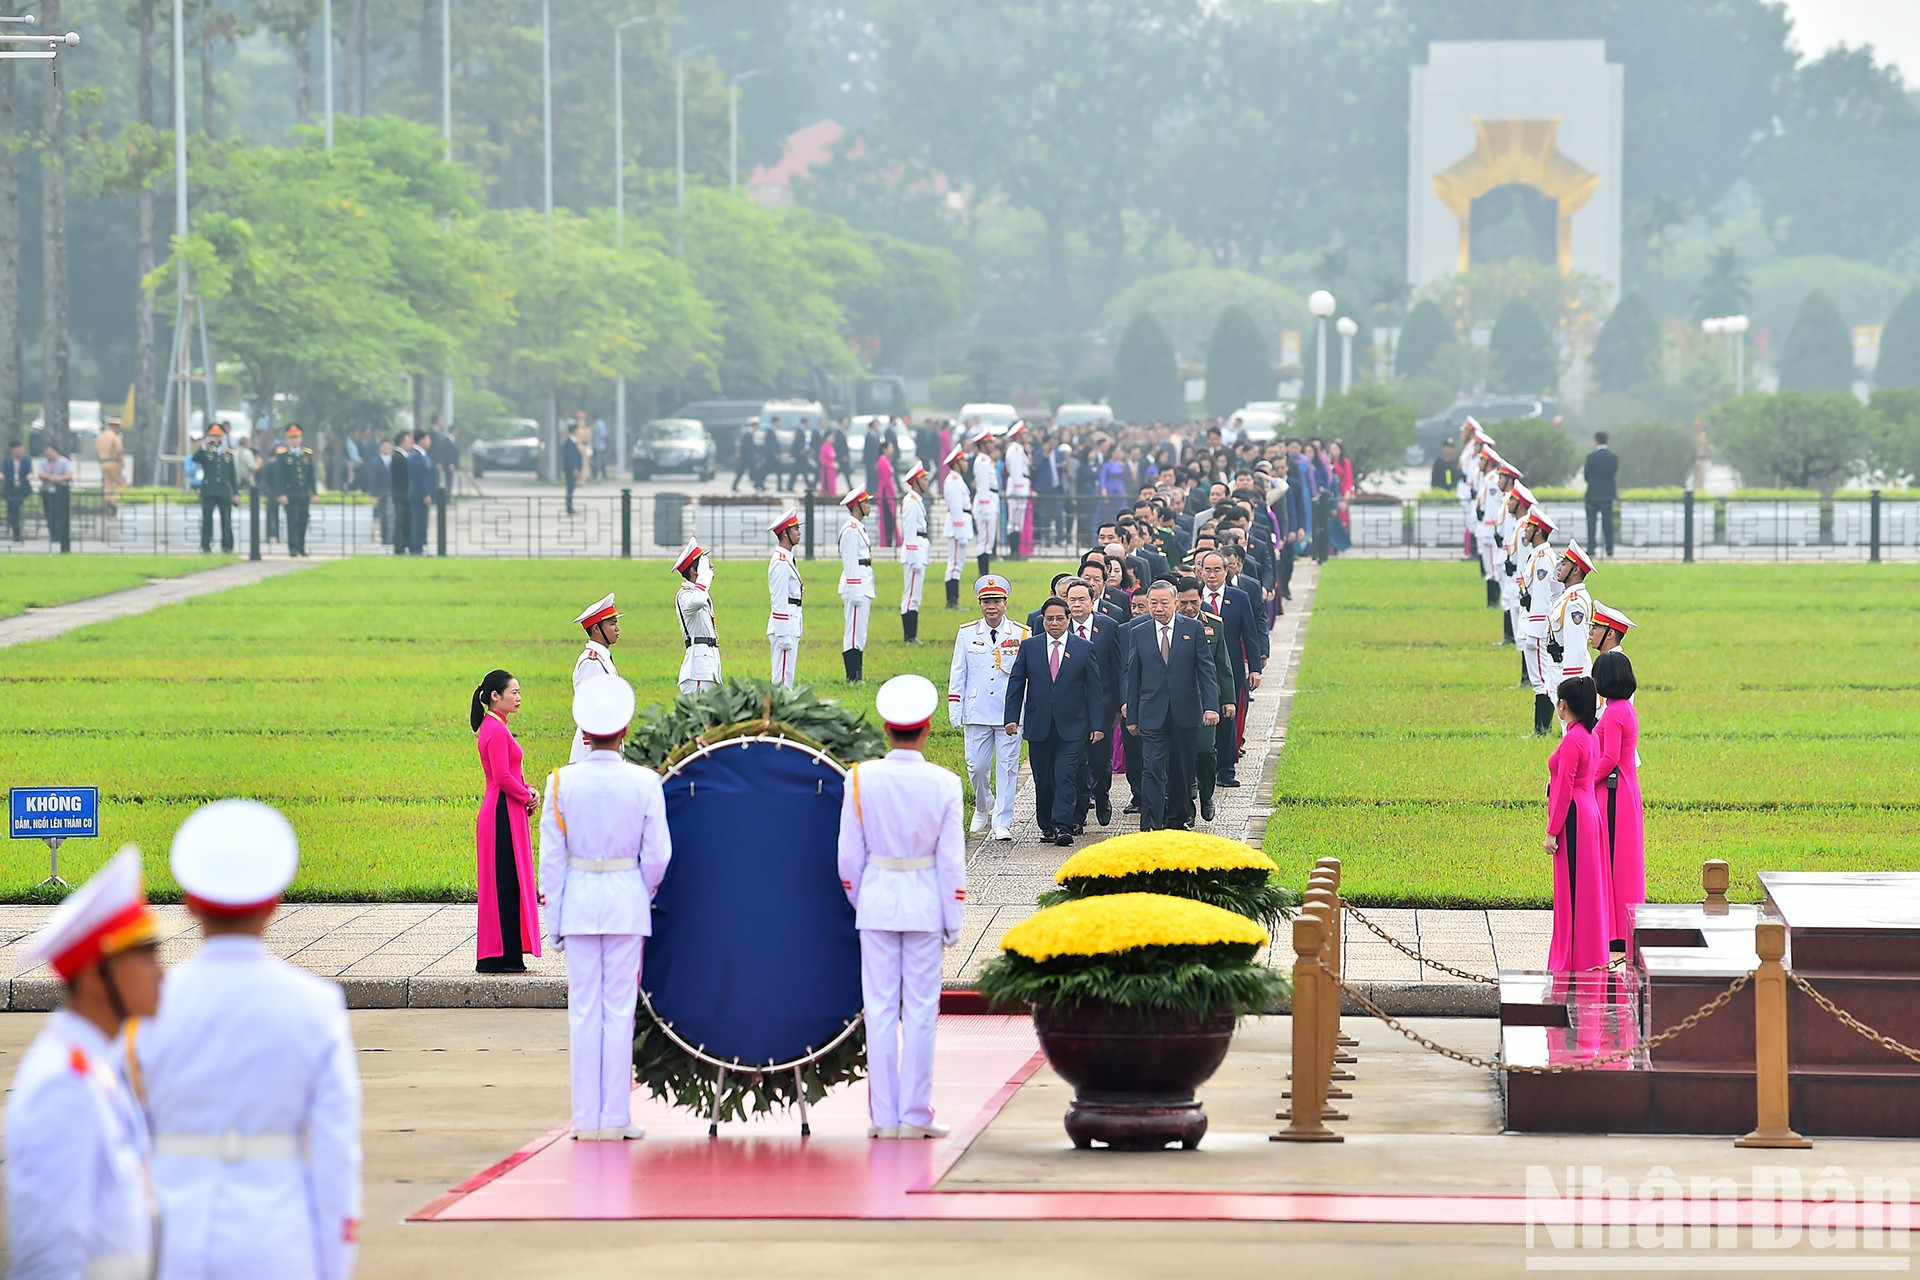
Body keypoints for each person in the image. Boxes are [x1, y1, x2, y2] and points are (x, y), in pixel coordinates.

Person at [137, 800, 362, 1280]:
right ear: (275, 901)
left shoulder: (151, 1006)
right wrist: (333, 1265)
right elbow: (335, 1156)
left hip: (171, 1242)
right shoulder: (316, 1006)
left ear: (189, 903)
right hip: (278, 1241)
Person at [5, 848, 164, 1280]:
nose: (161, 972)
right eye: (145, 956)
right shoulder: (65, 1084)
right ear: (97, 975)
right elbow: (48, 1256)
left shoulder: (98, 1066)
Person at [539, 676, 672, 1141]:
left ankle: (586, 1119)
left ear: (584, 731)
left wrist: (552, 922)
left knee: (583, 1011)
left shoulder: (559, 783)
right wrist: (641, 893)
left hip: (578, 903)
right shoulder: (644, 782)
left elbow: (552, 864)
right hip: (625, 903)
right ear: (624, 729)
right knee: (619, 1011)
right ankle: (614, 1117)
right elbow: (658, 856)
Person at [837, 674, 966, 1140]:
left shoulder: (859, 779)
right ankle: (915, 1113)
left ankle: (884, 1117)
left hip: (876, 901)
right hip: (926, 904)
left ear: (886, 729)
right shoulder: (945, 784)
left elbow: (848, 861)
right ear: (928, 728)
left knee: (878, 1009)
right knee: (920, 1011)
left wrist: (863, 899)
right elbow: (951, 862)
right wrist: (953, 920)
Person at [1121, 579, 1220, 832]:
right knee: (1152, 766)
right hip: (1152, 711)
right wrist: (1132, 715)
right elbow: (1132, 675)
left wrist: (1211, 706)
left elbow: (1206, 670)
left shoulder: (1194, 629)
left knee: (1182, 768)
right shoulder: (1138, 632)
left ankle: (1178, 819)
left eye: (1164, 602)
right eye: (1153, 603)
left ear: (1175, 603)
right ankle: (1151, 822)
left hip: (1185, 710)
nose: (1158, 608)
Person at [1004, 596, 1102, 845]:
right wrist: (1011, 718)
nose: (1055, 623)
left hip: (1073, 726)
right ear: (1043, 620)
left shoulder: (1084, 648)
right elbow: (1017, 683)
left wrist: (1097, 725)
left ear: (1068, 619)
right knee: (1044, 778)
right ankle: (1046, 824)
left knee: (1065, 775)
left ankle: (1063, 826)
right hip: (1039, 725)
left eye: (1060, 618)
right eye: (1050, 619)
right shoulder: (1030, 647)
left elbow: (1094, 689)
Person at [948, 574, 1027, 841]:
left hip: (1009, 712)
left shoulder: (1020, 633)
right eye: (986, 601)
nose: (991, 606)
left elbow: (1027, 676)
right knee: (977, 767)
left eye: (996, 600)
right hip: (977, 710)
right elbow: (958, 673)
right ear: (980, 604)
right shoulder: (967, 633)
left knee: (1007, 767)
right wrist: (955, 708)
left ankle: (1002, 821)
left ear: (1005, 603)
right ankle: (984, 805)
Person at [472, 669, 541, 973]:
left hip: (505, 809)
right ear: (495, 696)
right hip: (501, 811)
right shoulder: (496, 730)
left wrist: (527, 792)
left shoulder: (495, 726)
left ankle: (504, 953)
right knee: (505, 883)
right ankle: (503, 956)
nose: (519, 696)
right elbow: (501, 777)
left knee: (505, 882)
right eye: (513, 691)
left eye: (519, 691)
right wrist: (527, 795)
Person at [1544, 675, 1611, 972]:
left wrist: (1552, 831)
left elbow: (1563, 790)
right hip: (1589, 812)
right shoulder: (1590, 736)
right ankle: (1588, 954)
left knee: (1571, 890)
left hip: (1573, 815)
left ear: (1564, 705)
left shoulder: (1573, 739)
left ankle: (1570, 957)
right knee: (1587, 888)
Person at [1197, 551, 1260, 786]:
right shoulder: (1193, 599)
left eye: (1217, 570)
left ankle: (1226, 770)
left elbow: (1250, 635)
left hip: (1229, 669)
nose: (1212, 575)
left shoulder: (1239, 597)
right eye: (1207, 570)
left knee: (1227, 719)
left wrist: (1255, 668)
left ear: (1227, 571)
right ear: (1200, 571)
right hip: (1197, 671)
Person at [1592, 651, 1643, 949]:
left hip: (1614, 792)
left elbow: (1610, 756)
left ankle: (1615, 931)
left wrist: (1587, 781)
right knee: (1624, 859)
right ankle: (1625, 927)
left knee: (1613, 859)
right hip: (1626, 789)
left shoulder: (1613, 714)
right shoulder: (1623, 708)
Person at [1176, 576, 1236, 824]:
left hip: (1205, 700)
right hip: (1178, 700)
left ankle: (1206, 795)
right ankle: (1186, 807)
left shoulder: (1214, 625)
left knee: (1204, 752)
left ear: (1202, 599)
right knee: (1181, 755)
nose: (1189, 608)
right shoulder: (1170, 625)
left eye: (1193, 602)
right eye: (1183, 603)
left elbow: (1223, 664)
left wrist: (1228, 699)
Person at [1063, 579, 1121, 828]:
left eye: (1081, 599)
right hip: (1072, 707)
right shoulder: (1059, 627)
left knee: (1099, 759)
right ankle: (1078, 813)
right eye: (1072, 600)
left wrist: (1119, 705)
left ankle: (1102, 795)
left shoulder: (1108, 626)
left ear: (1092, 601)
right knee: (1076, 761)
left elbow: (1117, 668)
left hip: (1102, 705)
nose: (1077, 605)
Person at [1516, 508, 1561, 736]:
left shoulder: (1543, 559)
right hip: (1534, 624)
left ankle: (1542, 730)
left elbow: (1543, 599)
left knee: (1542, 681)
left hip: (1538, 628)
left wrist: (1535, 633)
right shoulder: (1537, 555)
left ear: (1539, 531)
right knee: (1539, 680)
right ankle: (1540, 730)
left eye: (1529, 526)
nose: (1525, 529)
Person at [569, 594, 621, 763]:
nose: (617, 628)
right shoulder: (591, 662)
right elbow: (587, 708)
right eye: (612, 624)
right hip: (593, 749)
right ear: (597, 629)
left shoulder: (602, 658)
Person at [672, 539, 722, 694]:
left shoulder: (698, 592)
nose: (710, 567)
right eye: (704, 565)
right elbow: (698, 600)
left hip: (708, 665)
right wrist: (704, 578)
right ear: (695, 571)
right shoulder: (685, 595)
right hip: (698, 670)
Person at [1546, 540, 1595, 694]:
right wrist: (1559, 568)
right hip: (1557, 667)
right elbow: (1553, 585)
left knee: (1572, 718)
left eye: (1564, 564)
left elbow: (1576, 648)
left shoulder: (1575, 602)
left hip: (1568, 672)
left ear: (1575, 571)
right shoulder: (1566, 596)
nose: (1559, 567)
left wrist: (1571, 685)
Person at [838, 488, 876, 683]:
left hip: (864, 583)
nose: (869, 505)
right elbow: (850, 561)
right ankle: (852, 677)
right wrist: (854, 590)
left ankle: (857, 675)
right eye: (866, 502)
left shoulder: (858, 527)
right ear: (856, 506)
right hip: (856, 585)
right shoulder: (851, 530)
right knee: (853, 632)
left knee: (860, 631)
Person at [767, 507, 805, 688]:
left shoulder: (787, 559)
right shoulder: (780, 562)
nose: (799, 532)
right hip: (785, 625)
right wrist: (783, 634)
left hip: (791, 622)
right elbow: (779, 599)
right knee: (782, 681)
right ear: (784, 534)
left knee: (787, 676)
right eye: (795, 529)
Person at [190, 425, 240, 553]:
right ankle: (206, 546)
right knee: (207, 520)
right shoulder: (205, 452)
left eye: (219, 436)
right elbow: (195, 459)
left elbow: (232, 475)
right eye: (214, 436)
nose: (216, 439)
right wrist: (203, 446)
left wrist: (236, 493)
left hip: (223, 490)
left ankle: (227, 546)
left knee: (226, 520)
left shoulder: (228, 454)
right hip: (209, 490)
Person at [898, 463, 931, 643]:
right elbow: (909, 531)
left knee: (915, 595)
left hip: (919, 550)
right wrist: (914, 556)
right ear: (916, 481)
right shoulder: (910, 501)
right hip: (914, 552)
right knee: (911, 595)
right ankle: (909, 636)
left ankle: (912, 635)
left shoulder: (916, 499)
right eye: (924, 479)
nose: (927, 483)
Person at [275, 425, 319, 557]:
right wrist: (281, 493)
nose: (295, 440)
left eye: (297, 437)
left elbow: (311, 475)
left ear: (301, 438)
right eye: (292, 437)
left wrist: (314, 492)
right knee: (292, 521)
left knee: (303, 521)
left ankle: (301, 547)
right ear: (288, 439)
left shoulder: (306, 454)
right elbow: (280, 476)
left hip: (303, 493)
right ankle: (292, 547)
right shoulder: (283, 455)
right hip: (290, 493)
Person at [940, 444, 974, 610]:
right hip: (956, 527)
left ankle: (954, 600)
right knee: (954, 565)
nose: (966, 464)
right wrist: (961, 531)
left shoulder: (957, 480)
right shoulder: (953, 481)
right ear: (956, 463)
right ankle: (951, 601)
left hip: (961, 525)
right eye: (964, 461)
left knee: (957, 564)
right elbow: (955, 508)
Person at [970, 429, 1001, 579]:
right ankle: (983, 574)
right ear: (982, 444)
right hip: (986, 504)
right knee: (985, 542)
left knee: (987, 541)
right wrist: (986, 508)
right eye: (989, 442)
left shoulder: (986, 460)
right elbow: (982, 487)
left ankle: (984, 573)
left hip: (990, 500)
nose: (992, 444)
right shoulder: (982, 462)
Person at [1584, 431, 1618, 557]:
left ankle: (1591, 548)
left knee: (1591, 522)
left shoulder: (1591, 457)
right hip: (1608, 494)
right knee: (1608, 522)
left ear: (1596, 441)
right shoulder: (1613, 457)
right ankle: (1609, 549)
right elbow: (1613, 473)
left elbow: (1587, 475)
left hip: (1593, 494)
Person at [35, 441, 73, 547]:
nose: (47, 453)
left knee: (60, 513)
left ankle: (61, 535)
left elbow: (69, 474)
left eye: (49, 451)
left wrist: (59, 478)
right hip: (47, 491)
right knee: (49, 513)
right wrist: (49, 477)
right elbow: (40, 473)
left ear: (55, 451)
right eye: (46, 451)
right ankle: (53, 534)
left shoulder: (64, 462)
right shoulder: (43, 463)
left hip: (61, 492)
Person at [1002, 420, 1031, 559]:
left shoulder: (1018, 449)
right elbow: (1015, 471)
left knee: (1017, 521)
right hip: (1017, 488)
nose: (1026, 436)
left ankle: (1015, 551)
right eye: (1024, 434)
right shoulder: (1016, 450)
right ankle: (1013, 551)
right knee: (1014, 521)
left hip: (1020, 485)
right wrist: (1020, 489)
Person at [407, 431, 435, 555]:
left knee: (423, 522)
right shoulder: (415, 456)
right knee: (418, 522)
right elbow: (418, 477)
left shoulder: (423, 455)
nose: (429, 442)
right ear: (421, 440)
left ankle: (421, 546)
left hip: (425, 493)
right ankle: (416, 548)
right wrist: (424, 493)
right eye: (428, 439)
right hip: (418, 494)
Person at [390, 429, 414, 554]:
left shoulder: (403, 456)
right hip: (401, 494)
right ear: (403, 441)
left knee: (405, 521)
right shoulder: (398, 457)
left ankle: (405, 543)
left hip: (404, 494)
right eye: (410, 440)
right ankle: (399, 546)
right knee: (400, 521)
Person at [3, 439, 31, 541]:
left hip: (22, 489)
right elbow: (3, 472)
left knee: (16, 508)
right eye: (18, 449)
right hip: (10, 489)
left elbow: (30, 472)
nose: (20, 451)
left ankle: (18, 532)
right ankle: (16, 532)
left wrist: (29, 476)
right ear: (13, 450)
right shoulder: (7, 461)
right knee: (12, 510)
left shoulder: (26, 460)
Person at [96, 418, 126, 509]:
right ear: (114, 426)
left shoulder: (100, 437)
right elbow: (119, 451)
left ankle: (108, 500)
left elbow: (97, 452)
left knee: (108, 484)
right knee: (121, 484)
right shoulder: (115, 437)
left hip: (103, 463)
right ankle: (113, 500)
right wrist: (122, 464)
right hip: (113, 462)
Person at [561, 422, 584, 516]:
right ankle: (569, 508)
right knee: (570, 488)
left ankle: (570, 507)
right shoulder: (569, 442)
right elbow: (571, 457)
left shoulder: (572, 441)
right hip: (570, 470)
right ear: (574, 430)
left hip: (571, 469)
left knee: (571, 488)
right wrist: (575, 468)